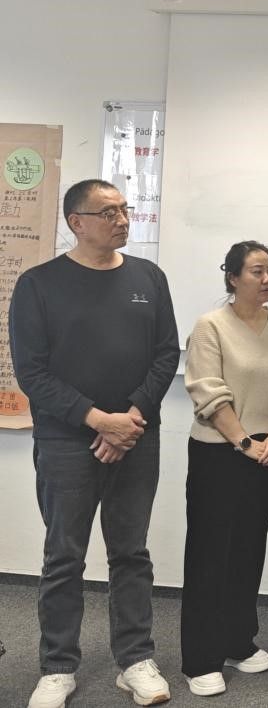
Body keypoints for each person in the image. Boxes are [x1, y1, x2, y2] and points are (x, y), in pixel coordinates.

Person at [8, 179, 179, 708]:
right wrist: (99, 420)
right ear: (76, 222)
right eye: (109, 212)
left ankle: (135, 660)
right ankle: (58, 667)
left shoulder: (149, 277)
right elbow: (32, 372)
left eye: (125, 209)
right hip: (66, 441)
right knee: (64, 556)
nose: (122, 219)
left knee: (131, 553)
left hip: (136, 437)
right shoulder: (38, 285)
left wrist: (129, 419)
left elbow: (166, 354)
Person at [180, 241, 268, 696]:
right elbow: (208, 392)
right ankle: (200, 660)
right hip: (219, 452)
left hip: (267, 452)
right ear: (233, 277)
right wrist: (245, 443)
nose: (267, 279)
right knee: (210, 554)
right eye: (256, 271)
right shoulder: (210, 326)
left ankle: (238, 641)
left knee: (249, 550)